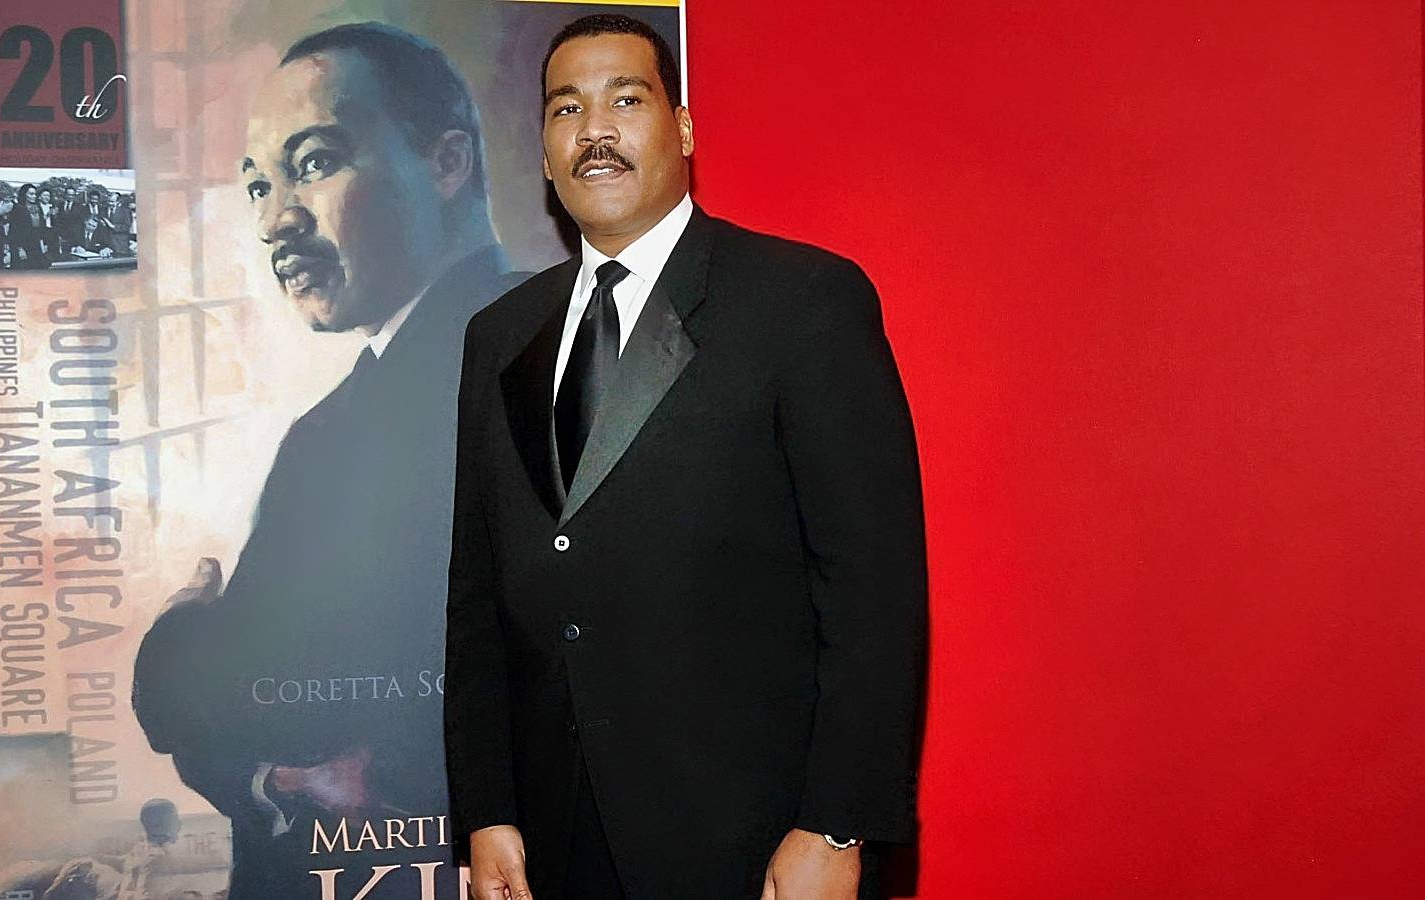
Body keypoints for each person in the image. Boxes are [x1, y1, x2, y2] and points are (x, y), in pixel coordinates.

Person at [443, 13, 927, 900]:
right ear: (545, 156)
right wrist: (486, 807)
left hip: (752, 836)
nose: (595, 130)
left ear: (685, 128)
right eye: (566, 110)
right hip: (554, 838)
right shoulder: (498, 336)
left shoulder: (801, 302)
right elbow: (479, 595)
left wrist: (835, 825)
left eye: (626, 99)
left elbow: (872, 590)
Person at [131, 21, 523, 900]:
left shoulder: (497, 376)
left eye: (314, 163)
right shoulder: (342, 420)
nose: (277, 220)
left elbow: (213, 695)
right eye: (259, 187)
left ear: (448, 162)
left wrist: (179, 636)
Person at [7, 183, 49, 269]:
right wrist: (19, 249)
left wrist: (43, 243)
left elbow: (41, 227)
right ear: (24, 195)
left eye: (35, 194)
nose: (34, 196)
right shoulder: (17, 208)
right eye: (31, 194)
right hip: (22, 245)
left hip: (35, 244)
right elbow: (13, 231)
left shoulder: (37, 207)